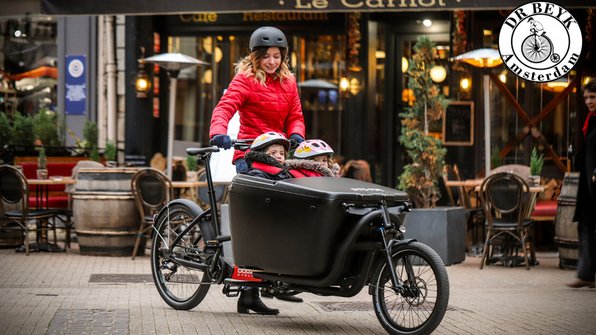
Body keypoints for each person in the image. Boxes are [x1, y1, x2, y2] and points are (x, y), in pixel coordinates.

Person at [209, 26, 306, 174]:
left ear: (283, 57)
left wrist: (296, 134)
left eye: (276, 56)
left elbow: (295, 116)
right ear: (256, 56)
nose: (272, 61)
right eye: (266, 56)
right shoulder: (245, 78)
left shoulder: (289, 82)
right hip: (250, 153)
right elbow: (224, 108)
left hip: (277, 153)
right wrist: (218, 133)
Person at [567, 79, 596, 288]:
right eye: (586, 97)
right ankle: (586, 274)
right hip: (588, 185)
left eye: (592, 97)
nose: (588, 101)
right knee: (585, 226)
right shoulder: (590, 121)